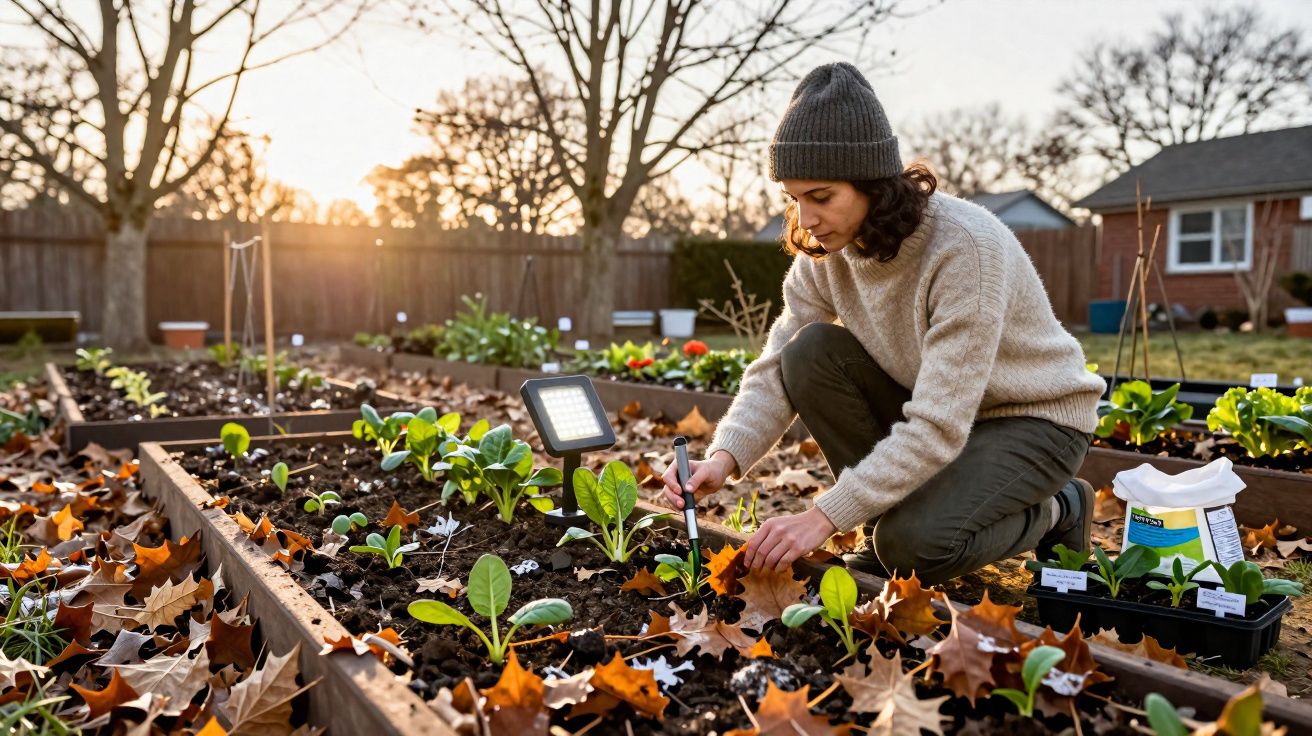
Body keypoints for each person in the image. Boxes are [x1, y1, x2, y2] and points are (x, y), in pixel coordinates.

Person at [660, 62, 1105, 586]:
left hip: (1033, 421)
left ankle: (1061, 509)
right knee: (807, 352)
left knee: (913, 548)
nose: (804, 220)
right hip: (943, 416)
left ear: (874, 183)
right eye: (793, 199)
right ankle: (891, 523)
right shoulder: (829, 254)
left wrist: (822, 516)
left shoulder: (964, 249)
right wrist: (723, 457)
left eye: (821, 197)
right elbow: (776, 365)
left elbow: (939, 424)